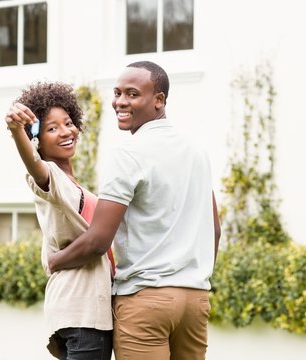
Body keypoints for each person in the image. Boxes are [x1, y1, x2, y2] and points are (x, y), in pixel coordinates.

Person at [48, 61, 221, 360]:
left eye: (132, 94)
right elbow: (214, 230)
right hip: (195, 299)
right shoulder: (196, 149)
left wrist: (55, 261)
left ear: (159, 100)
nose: (121, 102)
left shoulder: (128, 153)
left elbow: (98, 240)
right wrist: (194, 277)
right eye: (117, 93)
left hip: (145, 300)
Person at [4, 81, 113, 360]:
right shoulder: (52, 177)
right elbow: (35, 168)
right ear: (37, 139)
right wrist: (17, 130)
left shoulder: (74, 188)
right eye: (52, 128)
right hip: (83, 313)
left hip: (74, 310)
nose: (65, 132)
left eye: (68, 123)